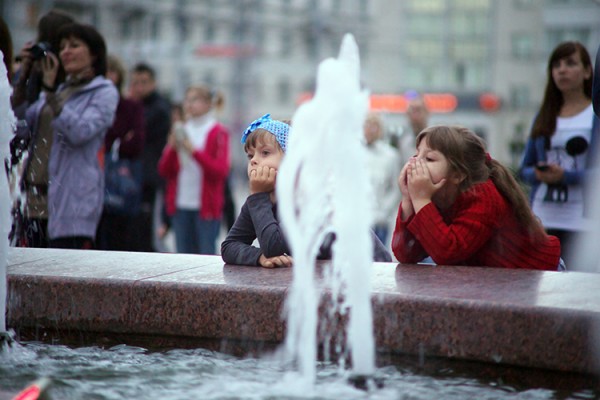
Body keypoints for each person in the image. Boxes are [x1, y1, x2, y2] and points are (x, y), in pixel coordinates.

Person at [221, 114, 391, 267]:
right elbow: (229, 246)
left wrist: (258, 197)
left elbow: (274, 247)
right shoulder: (262, 195)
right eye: (250, 156)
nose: (254, 161)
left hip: (369, 273)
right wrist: (259, 257)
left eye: (265, 153)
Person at [392, 125, 561, 271]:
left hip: (542, 276)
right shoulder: (433, 195)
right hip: (500, 283)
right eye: (416, 155)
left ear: (458, 174)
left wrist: (421, 200)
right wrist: (408, 199)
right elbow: (406, 253)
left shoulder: (483, 197)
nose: (415, 163)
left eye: (428, 158)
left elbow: (447, 251)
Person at [18, 22, 118, 249]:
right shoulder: (60, 89)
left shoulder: (104, 92)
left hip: (72, 205)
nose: (66, 52)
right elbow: (21, 126)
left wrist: (51, 93)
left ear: (94, 53)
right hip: (34, 200)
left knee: (61, 279)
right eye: (62, 47)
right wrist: (25, 76)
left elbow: (81, 131)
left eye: (74, 45)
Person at [519, 41, 598, 267]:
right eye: (556, 65)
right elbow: (524, 168)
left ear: (587, 71)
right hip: (543, 218)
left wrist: (567, 176)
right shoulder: (545, 114)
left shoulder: (595, 116)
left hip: (584, 222)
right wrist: (540, 174)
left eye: (570, 63)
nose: (562, 70)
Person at [158, 85, 230, 254]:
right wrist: (171, 148)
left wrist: (194, 152)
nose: (189, 104)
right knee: (182, 256)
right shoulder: (181, 129)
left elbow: (220, 171)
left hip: (206, 207)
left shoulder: (217, 131)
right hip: (180, 205)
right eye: (187, 100)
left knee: (205, 256)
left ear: (207, 103)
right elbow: (164, 170)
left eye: (194, 100)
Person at [96, 55, 146, 251]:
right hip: (93, 177)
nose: (108, 76)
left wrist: (114, 143)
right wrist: (119, 139)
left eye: (112, 71)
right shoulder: (94, 105)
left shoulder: (130, 107)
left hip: (119, 179)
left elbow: (136, 142)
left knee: (118, 233)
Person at [129, 63, 171, 252]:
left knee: (148, 233)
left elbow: (136, 134)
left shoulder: (159, 109)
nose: (139, 87)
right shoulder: (137, 107)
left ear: (153, 83)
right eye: (135, 83)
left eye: (144, 82)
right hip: (135, 177)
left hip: (152, 179)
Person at [363, 112, 400, 245]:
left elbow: (395, 188)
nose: (369, 129)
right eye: (367, 124)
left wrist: (383, 212)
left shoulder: (390, 155)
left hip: (379, 220)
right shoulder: (354, 152)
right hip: (357, 217)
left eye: (374, 125)